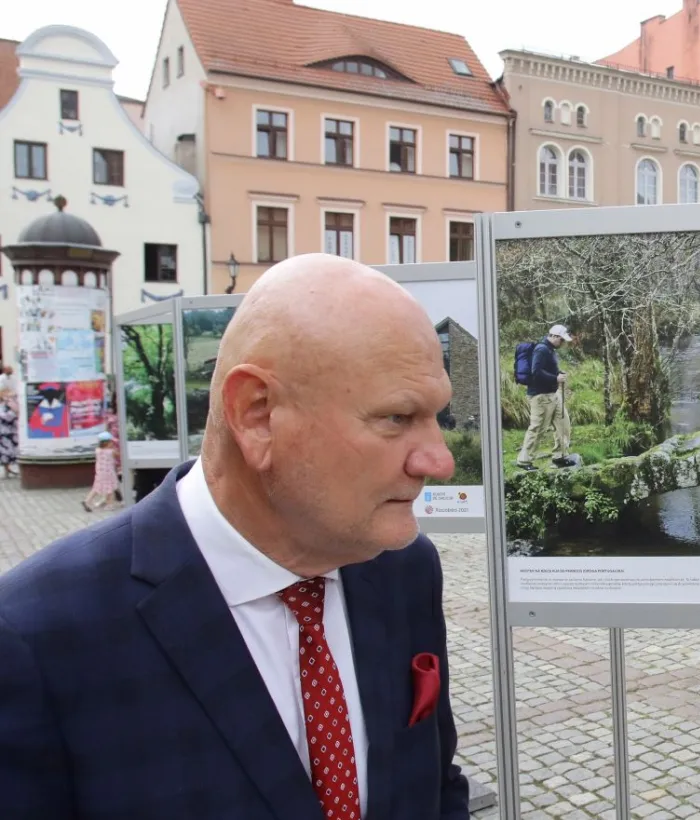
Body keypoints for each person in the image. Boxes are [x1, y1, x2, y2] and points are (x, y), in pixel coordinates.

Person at [0, 253, 473, 818]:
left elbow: (436, 785)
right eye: (397, 417)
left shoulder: (404, 568)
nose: (439, 460)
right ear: (257, 415)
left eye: (437, 417)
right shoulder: (37, 639)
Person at [515, 323, 573, 471]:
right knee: (537, 428)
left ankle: (560, 456)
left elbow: (547, 369)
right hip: (540, 396)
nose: (563, 343)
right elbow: (536, 372)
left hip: (553, 394)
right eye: (562, 339)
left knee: (563, 424)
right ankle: (524, 461)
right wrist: (556, 378)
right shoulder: (541, 349)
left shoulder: (550, 350)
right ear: (554, 336)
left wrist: (558, 373)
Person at [80, 431, 119, 511]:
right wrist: (116, 449)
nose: (112, 443)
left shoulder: (97, 450)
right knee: (110, 489)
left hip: (99, 473)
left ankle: (87, 501)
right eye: (111, 442)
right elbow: (118, 455)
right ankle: (109, 505)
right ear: (107, 443)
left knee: (96, 488)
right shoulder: (111, 451)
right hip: (109, 473)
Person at [0, 387, 18, 478]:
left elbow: (14, 415)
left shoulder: (11, 404)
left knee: (12, 451)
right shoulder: (2, 406)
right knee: (4, 452)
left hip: (11, 432)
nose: (7, 397)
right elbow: (7, 416)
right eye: (6, 395)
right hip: (4, 432)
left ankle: (8, 469)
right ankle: (6, 470)